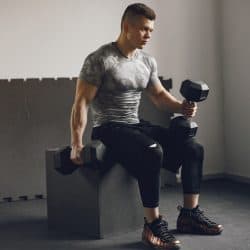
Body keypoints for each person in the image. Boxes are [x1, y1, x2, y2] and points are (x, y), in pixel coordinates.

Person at [70, 3, 223, 250]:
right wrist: (76, 144)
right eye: (143, 29)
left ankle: (189, 215)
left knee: (193, 148)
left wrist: (181, 107)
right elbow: (81, 103)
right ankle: (152, 225)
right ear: (126, 27)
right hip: (109, 128)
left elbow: (160, 96)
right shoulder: (100, 59)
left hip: (135, 125)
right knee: (153, 150)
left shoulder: (146, 61)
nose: (148, 35)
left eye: (151, 30)